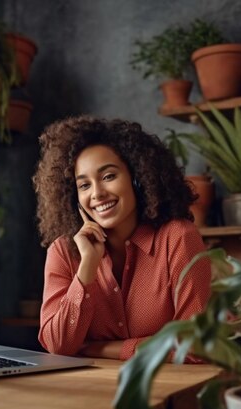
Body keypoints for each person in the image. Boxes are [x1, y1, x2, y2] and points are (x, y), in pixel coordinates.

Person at [31, 115, 211, 361]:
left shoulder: (178, 238)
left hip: (166, 391)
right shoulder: (63, 251)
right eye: (84, 185)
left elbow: (196, 344)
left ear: (137, 178)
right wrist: (87, 269)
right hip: (88, 392)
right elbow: (57, 345)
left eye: (108, 177)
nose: (97, 194)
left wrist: (98, 349)